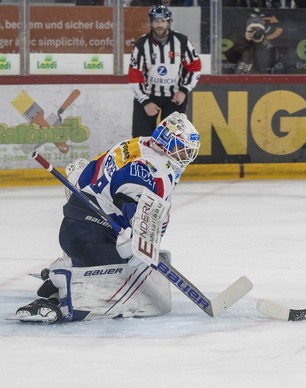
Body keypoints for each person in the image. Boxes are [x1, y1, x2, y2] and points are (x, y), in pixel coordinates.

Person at [14, 112, 201, 323]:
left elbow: (90, 173)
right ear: (166, 141)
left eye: (187, 152)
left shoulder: (137, 144)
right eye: (180, 149)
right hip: (89, 237)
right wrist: (138, 235)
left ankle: (63, 276)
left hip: (76, 228)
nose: (184, 157)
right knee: (125, 279)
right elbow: (128, 198)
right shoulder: (154, 170)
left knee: (125, 264)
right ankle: (60, 292)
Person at [129, 5, 202, 138]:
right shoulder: (141, 44)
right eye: (156, 21)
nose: (159, 25)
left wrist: (184, 90)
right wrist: (145, 101)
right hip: (148, 96)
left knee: (173, 139)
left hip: (175, 98)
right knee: (140, 139)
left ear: (169, 22)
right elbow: (135, 76)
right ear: (151, 23)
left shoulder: (182, 42)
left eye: (163, 21)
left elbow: (195, 67)